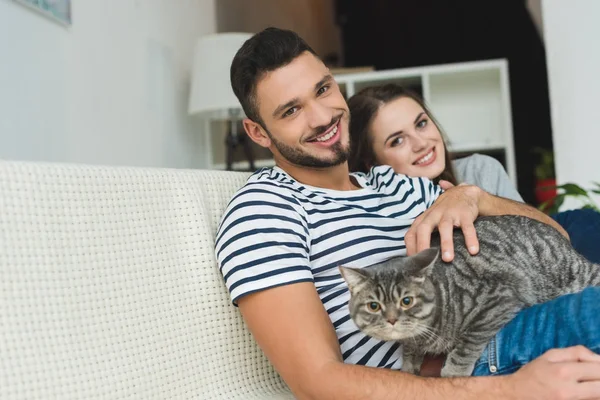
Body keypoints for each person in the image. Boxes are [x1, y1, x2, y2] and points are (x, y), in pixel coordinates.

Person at [216, 27, 600, 400]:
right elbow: (317, 382)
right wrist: (510, 391)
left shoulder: (396, 183)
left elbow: (557, 240)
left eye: (323, 89)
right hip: (471, 368)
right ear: (258, 133)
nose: (321, 117)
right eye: (291, 110)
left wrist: (477, 198)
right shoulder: (263, 211)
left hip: (515, 314)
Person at [347, 83, 600, 264]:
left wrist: (479, 198)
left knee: (585, 221)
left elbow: (556, 240)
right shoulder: (385, 221)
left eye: (421, 123)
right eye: (397, 141)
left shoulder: (480, 169)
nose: (421, 143)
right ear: (372, 165)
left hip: (548, 246)